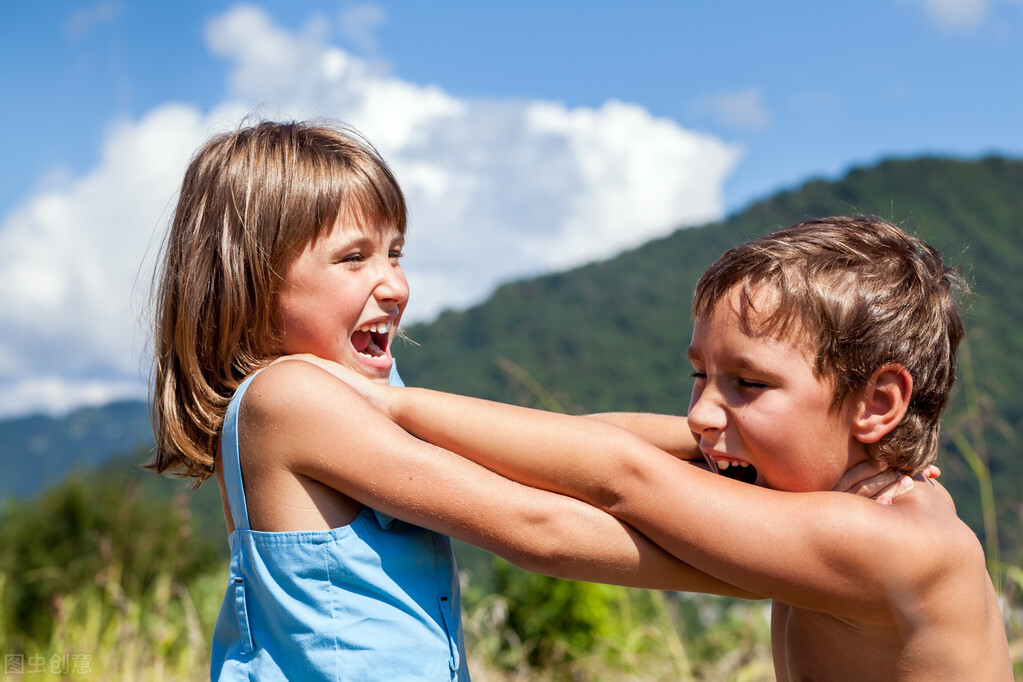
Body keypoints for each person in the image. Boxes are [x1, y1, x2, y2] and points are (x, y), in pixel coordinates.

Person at [150, 119, 837, 680]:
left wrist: (746, 439)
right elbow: (533, 526)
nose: (395, 285)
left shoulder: (363, 397)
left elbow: (562, 439)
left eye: (396, 252)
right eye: (354, 258)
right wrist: (763, 567)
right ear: (251, 281)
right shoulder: (288, 399)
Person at [322, 216, 1012, 680]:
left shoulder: (882, 542)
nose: (702, 412)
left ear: (877, 403)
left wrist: (385, 405)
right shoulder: (852, 493)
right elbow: (606, 446)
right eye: (699, 376)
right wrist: (724, 423)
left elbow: (614, 475)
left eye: (746, 383)